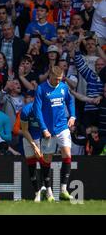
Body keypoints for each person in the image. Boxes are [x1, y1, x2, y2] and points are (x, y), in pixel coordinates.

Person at [33, 66, 76, 201]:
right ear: (50, 75)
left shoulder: (63, 87)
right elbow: (37, 111)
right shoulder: (41, 89)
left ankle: (63, 189)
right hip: (48, 130)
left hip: (62, 126)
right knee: (47, 159)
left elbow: (70, 100)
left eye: (60, 79)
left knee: (67, 155)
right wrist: (44, 129)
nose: (58, 81)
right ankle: (49, 191)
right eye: (56, 79)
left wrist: (73, 116)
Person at [20, 90, 43, 202]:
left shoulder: (45, 109)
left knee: (45, 164)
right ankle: (37, 193)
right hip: (28, 138)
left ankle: (48, 191)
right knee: (31, 167)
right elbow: (24, 130)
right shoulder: (25, 110)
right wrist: (34, 145)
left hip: (43, 138)